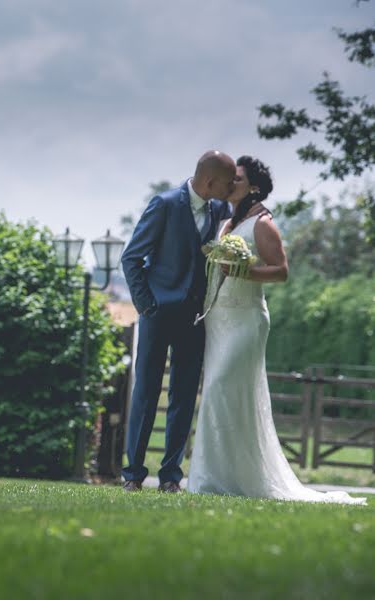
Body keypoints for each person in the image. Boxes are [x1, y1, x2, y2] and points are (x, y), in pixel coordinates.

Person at [188, 156, 365, 504]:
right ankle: (218, 477)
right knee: (219, 395)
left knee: (222, 387)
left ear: (253, 186)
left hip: (246, 321)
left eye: (236, 179)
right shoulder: (225, 222)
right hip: (219, 320)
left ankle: (220, 480)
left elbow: (281, 271)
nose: (229, 183)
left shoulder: (262, 224)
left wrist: (244, 272)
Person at [119, 151, 235, 492]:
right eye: (227, 183)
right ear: (210, 181)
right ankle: (133, 475)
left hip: (196, 317)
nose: (230, 189)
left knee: (184, 396)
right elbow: (131, 257)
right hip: (158, 314)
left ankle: (171, 476)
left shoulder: (219, 210)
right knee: (146, 393)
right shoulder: (165, 204)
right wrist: (147, 306)